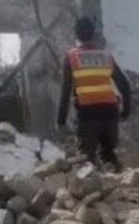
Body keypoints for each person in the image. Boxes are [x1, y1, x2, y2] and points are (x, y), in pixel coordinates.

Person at [57, 17, 132, 170]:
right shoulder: (105, 56)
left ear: (76, 34)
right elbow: (124, 85)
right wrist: (125, 112)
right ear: (93, 34)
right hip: (110, 114)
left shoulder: (72, 57)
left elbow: (65, 92)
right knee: (109, 158)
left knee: (87, 163)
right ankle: (121, 182)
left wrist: (61, 121)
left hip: (88, 116)